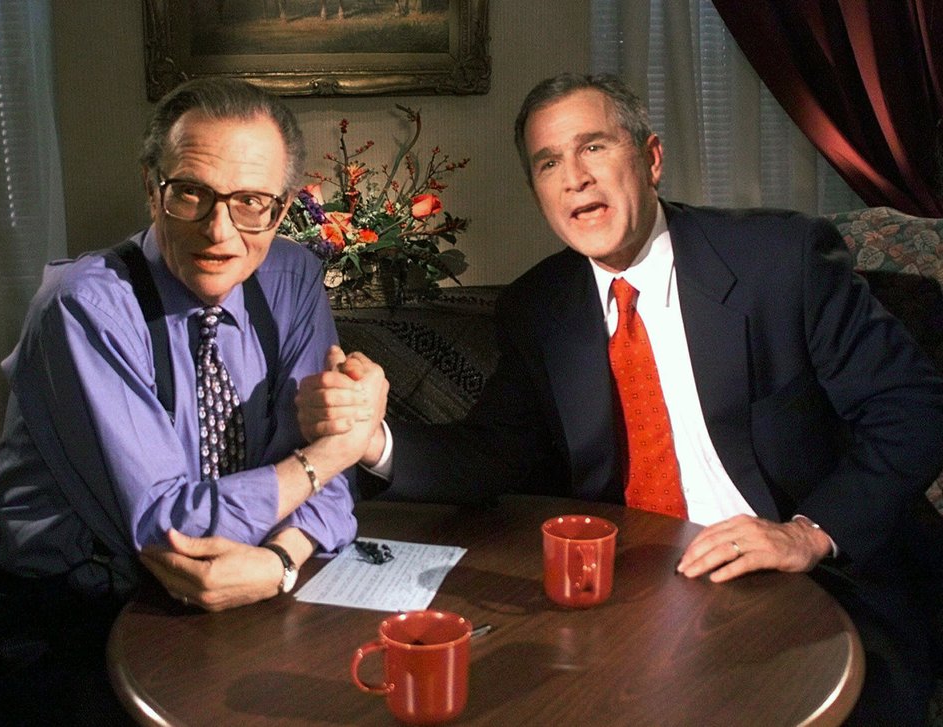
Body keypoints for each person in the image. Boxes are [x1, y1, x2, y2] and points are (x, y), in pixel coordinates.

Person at [297, 73, 943, 725]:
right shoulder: (539, 307)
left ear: (652, 158)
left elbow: (915, 407)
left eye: (595, 147)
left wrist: (806, 533)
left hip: (822, 584)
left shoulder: (780, 259)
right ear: (538, 193)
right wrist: (373, 438)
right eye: (549, 162)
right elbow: (497, 452)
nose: (573, 176)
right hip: (637, 602)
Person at [0, 77, 374, 725]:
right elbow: (174, 527)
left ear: (281, 208)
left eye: (250, 201)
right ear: (152, 188)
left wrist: (280, 561)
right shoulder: (85, 307)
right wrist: (332, 452)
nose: (220, 230)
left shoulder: (293, 279)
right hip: (65, 619)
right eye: (192, 193)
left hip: (237, 597)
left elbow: (330, 489)